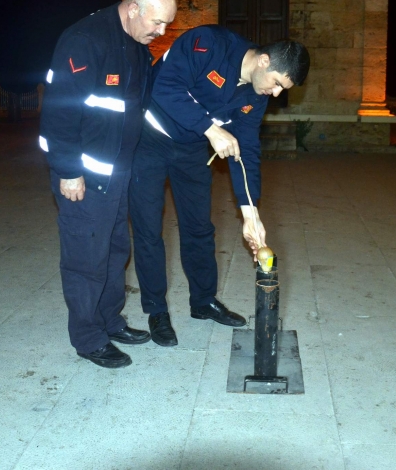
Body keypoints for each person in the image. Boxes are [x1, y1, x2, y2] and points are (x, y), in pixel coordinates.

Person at [129, 25, 310, 346]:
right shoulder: (207, 44)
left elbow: (248, 151)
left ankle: (202, 301)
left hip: (191, 149)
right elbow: (165, 87)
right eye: (278, 83)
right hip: (149, 139)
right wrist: (211, 129)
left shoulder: (256, 94)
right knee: (148, 229)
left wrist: (251, 214)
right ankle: (157, 311)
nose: (278, 93)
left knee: (199, 226)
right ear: (264, 61)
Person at [38, 0, 177, 368]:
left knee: (115, 250)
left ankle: (110, 321)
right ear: (134, 8)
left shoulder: (135, 43)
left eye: (167, 24)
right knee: (86, 258)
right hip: (83, 176)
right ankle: (87, 338)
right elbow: (59, 112)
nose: (161, 32)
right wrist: (67, 171)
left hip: (118, 174)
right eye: (158, 22)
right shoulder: (84, 40)